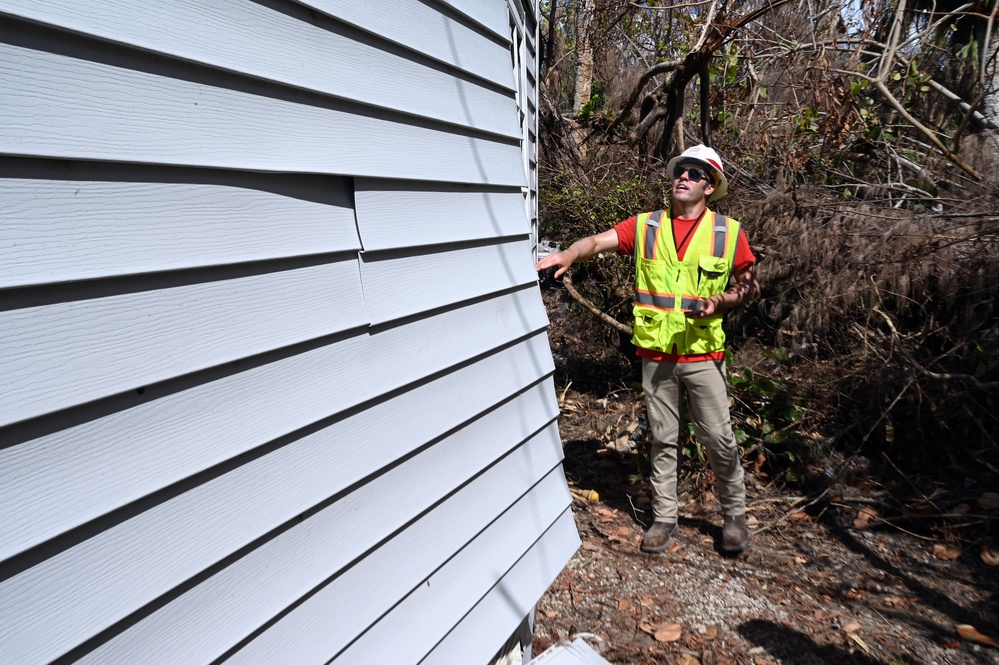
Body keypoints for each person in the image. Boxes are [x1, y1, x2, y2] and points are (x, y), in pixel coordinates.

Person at [536, 145, 759, 554]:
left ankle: (735, 516)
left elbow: (749, 284)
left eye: (694, 173)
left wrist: (722, 302)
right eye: (680, 171)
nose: (684, 177)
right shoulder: (647, 226)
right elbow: (597, 242)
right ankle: (664, 518)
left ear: (709, 186)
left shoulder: (728, 232)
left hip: (703, 355)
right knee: (663, 438)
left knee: (718, 439)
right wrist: (568, 253)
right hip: (657, 356)